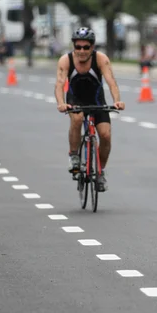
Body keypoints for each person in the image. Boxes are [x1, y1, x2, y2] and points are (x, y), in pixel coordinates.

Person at [54, 27, 125, 192]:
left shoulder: (101, 59)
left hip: (96, 101)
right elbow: (59, 84)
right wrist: (61, 103)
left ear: (92, 47)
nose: (81, 51)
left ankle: (100, 172)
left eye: (86, 47)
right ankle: (74, 156)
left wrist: (117, 101)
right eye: (78, 47)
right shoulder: (65, 60)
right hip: (75, 100)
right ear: (74, 46)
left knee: (105, 136)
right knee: (77, 119)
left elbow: (111, 82)